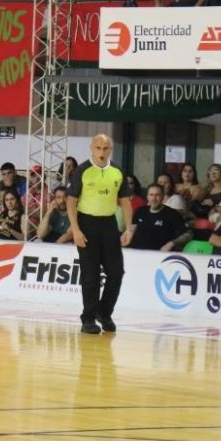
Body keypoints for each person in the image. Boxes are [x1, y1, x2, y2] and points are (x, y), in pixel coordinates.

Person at [66, 134, 133, 335]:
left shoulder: (117, 171)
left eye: (105, 148)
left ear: (110, 149)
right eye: (98, 148)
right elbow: (71, 201)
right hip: (87, 223)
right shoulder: (82, 170)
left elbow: (125, 202)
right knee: (91, 275)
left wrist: (128, 228)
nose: (101, 152)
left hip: (109, 224)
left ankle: (104, 313)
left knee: (116, 272)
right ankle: (88, 318)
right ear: (91, 148)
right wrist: (75, 230)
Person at [129, 184, 190, 251]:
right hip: (137, 252)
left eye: (157, 195)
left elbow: (188, 234)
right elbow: (132, 229)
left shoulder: (172, 214)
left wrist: (171, 243)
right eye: (151, 195)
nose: (154, 199)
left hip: (160, 254)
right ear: (147, 197)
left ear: (163, 197)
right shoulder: (140, 211)